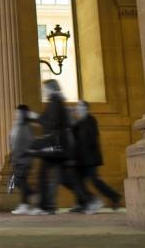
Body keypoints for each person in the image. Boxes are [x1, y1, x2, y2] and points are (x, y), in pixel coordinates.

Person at [30, 79, 90, 215]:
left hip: (55, 146)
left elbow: (52, 122)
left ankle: (48, 206)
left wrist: (36, 117)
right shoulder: (56, 101)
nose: (43, 91)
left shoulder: (55, 102)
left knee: (46, 176)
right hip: (59, 147)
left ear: (51, 88)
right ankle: (85, 200)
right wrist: (37, 118)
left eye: (44, 88)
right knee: (60, 177)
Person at [72, 100, 120, 212]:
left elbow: (93, 139)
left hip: (91, 158)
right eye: (77, 106)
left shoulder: (91, 120)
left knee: (95, 181)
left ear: (85, 108)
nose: (77, 108)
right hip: (82, 159)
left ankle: (115, 196)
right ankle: (81, 203)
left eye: (79, 106)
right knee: (78, 180)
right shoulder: (79, 123)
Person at [9, 105, 35, 215]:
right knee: (20, 182)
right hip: (18, 158)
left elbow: (29, 143)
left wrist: (21, 154)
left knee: (21, 182)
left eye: (19, 113)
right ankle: (32, 196)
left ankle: (25, 204)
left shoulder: (25, 127)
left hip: (23, 159)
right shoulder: (17, 125)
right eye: (16, 112)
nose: (17, 114)